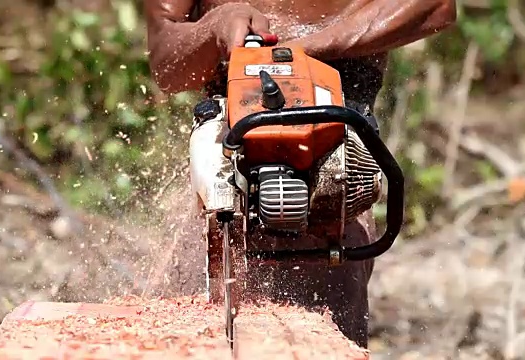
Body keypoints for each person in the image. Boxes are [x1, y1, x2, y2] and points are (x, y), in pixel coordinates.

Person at [143, 0, 456, 348]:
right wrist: (215, 27)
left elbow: (435, 7)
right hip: (229, 163)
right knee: (188, 328)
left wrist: (303, 51)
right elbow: (166, 63)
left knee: (321, 337)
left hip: (332, 171)